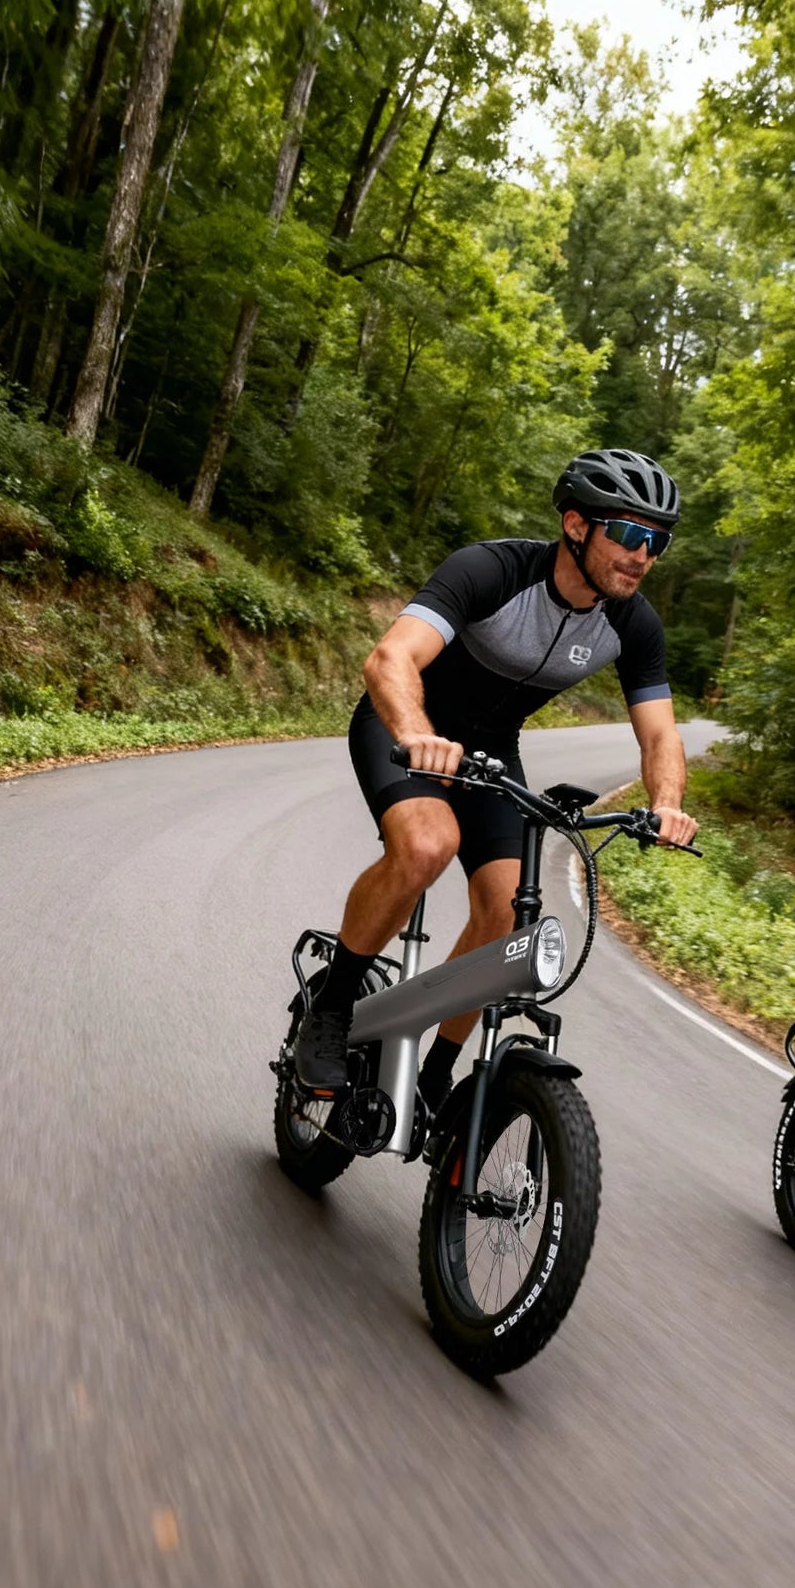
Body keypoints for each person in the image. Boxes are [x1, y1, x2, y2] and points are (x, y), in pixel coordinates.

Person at [293, 448, 699, 1103]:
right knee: (427, 843)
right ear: (576, 524)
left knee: (509, 912)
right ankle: (333, 1006)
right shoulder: (492, 569)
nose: (642, 554)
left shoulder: (630, 621)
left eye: (657, 542)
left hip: (489, 749)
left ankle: (434, 1072)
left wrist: (667, 804)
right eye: (627, 533)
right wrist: (415, 733)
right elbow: (390, 657)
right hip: (405, 723)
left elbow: (659, 733)